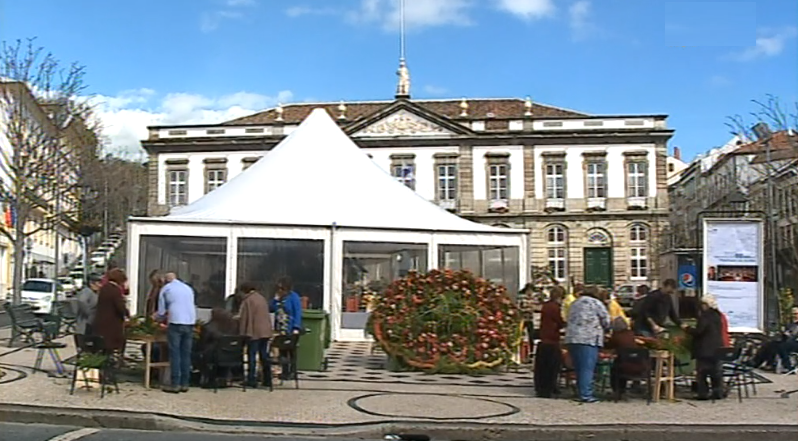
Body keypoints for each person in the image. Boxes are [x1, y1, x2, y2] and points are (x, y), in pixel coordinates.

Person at [565, 285, 611, 403]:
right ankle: (586, 394)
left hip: (572, 338)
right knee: (587, 368)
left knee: (578, 367)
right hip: (588, 339)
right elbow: (606, 320)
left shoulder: (574, 303)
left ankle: (580, 391)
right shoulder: (596, 304)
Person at [155, 272, 197, 394]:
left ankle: (175, 383)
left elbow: (162, 311)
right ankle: (185, 383)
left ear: (166, 280)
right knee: (186, 353)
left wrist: (156, 318)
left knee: (175, 353)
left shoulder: (166, 288)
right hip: (189, 322)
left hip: (175, 322)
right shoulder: (188, 288)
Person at [683, 295, 725, 400]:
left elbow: (699, 331)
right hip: (717, 347)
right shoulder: (717, 315)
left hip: (704, 348)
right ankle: (717, 392)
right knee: (715, 372)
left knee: (702, 372)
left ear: (706, 305)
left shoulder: (705, 316)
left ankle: (703, 393)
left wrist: (687, 328)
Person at [238, 283, 274, 388]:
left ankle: (251, 379)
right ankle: (267, 379)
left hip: (254, 332)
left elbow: (244, 318)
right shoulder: (262, 298)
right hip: (265, 331)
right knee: (264, 355)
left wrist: (242, 333)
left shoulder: (248, 300)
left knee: (252, 355)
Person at [534, 286, 566, 398]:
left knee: (542, 366)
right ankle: (549, 387)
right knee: (552, 367)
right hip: (552, 340)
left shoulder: (546, 306)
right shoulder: (555, 307)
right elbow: (560, 321)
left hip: (544, 338)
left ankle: (542, 388)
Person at [271, 276, 303, 381]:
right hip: (280, 327)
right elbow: (271, 308)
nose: (280, 291)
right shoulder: (279, 298)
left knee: (291, 350)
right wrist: (275, 300)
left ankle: (293, 371)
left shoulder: (294, 297)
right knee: (282, 350)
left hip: (290, 326)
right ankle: (284, 371)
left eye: (282, 289)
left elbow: (297, 312)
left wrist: (296, 327)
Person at [197, 308, 238, 388]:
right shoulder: (234, 328)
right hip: (231, 356)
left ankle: (205, 378)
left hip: (213, 356)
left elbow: (202, 343)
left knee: (195, 355)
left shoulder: (209, 327)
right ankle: (222, 378)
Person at [93, 269, 130, 357]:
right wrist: (127, 314)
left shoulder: (104, 288)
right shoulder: (115, 290)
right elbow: (120, 306)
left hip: (100, 322)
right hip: (111, 323)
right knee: (113, 344)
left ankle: (105, 361)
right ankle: (114, 362)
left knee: (104, 347)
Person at [607, 317, 646, 399]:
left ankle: (617, 391)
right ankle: (622, 390)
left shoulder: (616, 336)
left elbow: (609, 346)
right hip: (638, 365)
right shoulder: (631, 334)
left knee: (615, 369)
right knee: (620, 364)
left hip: (624, 366)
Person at [73, 273, 103, 349]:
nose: (100, 285)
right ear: (91, 283)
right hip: (84, 328)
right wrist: (88, 313)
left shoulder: (94, 293)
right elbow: (81, 302)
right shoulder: (87, 292)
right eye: (98, 283)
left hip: (92, 327)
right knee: (87, 350)